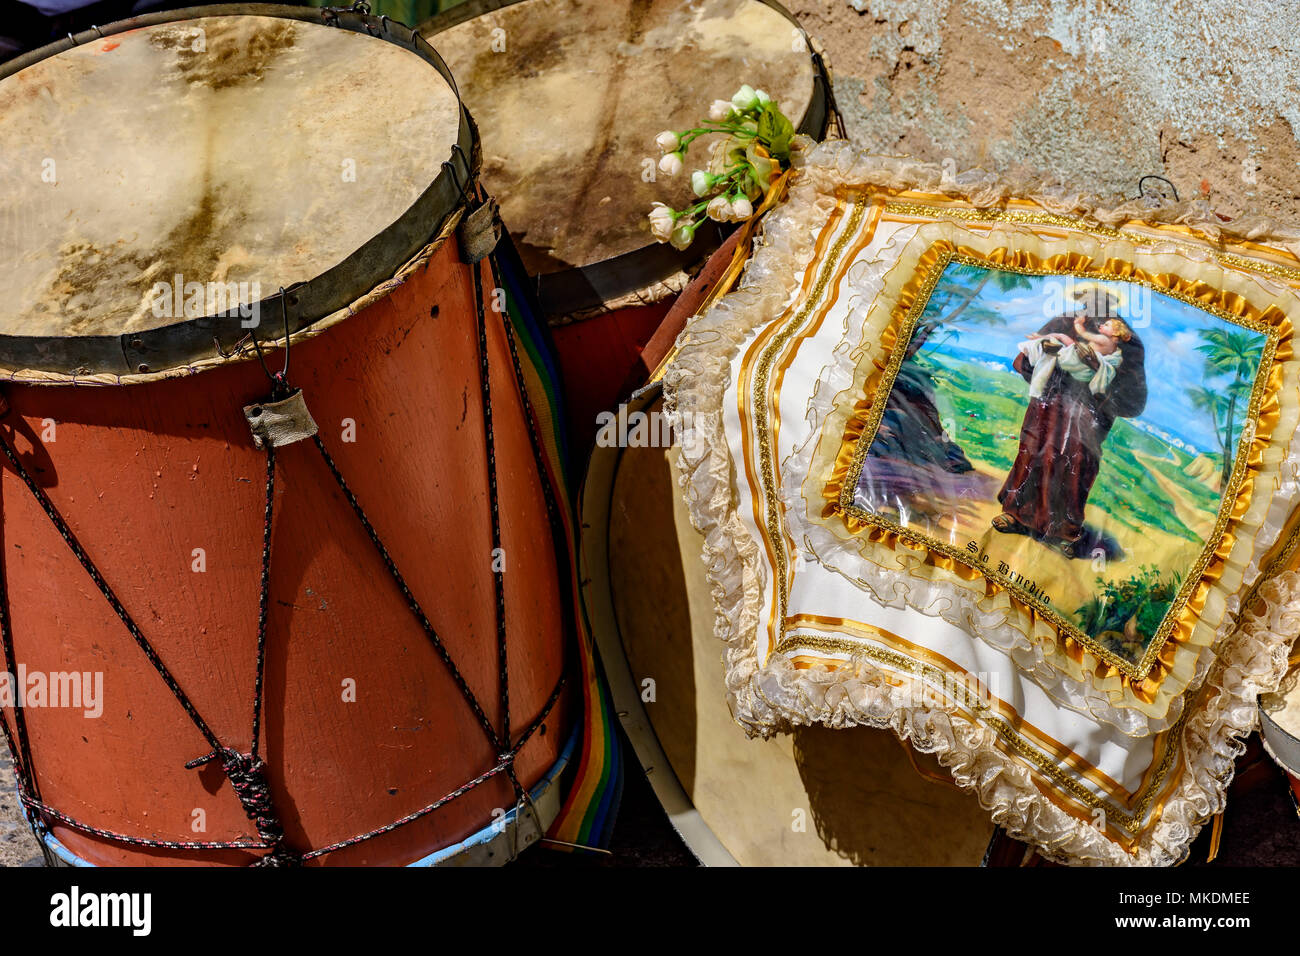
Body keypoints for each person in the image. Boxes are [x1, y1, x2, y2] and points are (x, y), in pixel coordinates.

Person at [993, 288, 1147, 557]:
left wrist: (1099, 371)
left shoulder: (1127, 341)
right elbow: (1025, 360)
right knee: (1033, 456)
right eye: (1087, 302)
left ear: (1110, 306)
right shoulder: (1063, 323)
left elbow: (1133, 398)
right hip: (1048, 407)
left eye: (1099, 303)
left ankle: (1064, 531)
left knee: (1075, 467)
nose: (1092, 307)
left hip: (1088, 416)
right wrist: (1046, 356)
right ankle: (1016, 514)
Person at [1019, 314, 1134, 399]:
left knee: (1060, 339)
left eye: (1106, 325)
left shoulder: (1104, 339)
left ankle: (1045, 342)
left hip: (1080, 359)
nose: (1102, 325)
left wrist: (1078, 323)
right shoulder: (1113, 347)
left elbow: (1083, 334)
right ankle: (1041, 338)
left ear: (1115, 332)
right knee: (1061, 336)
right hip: (1080, 352)